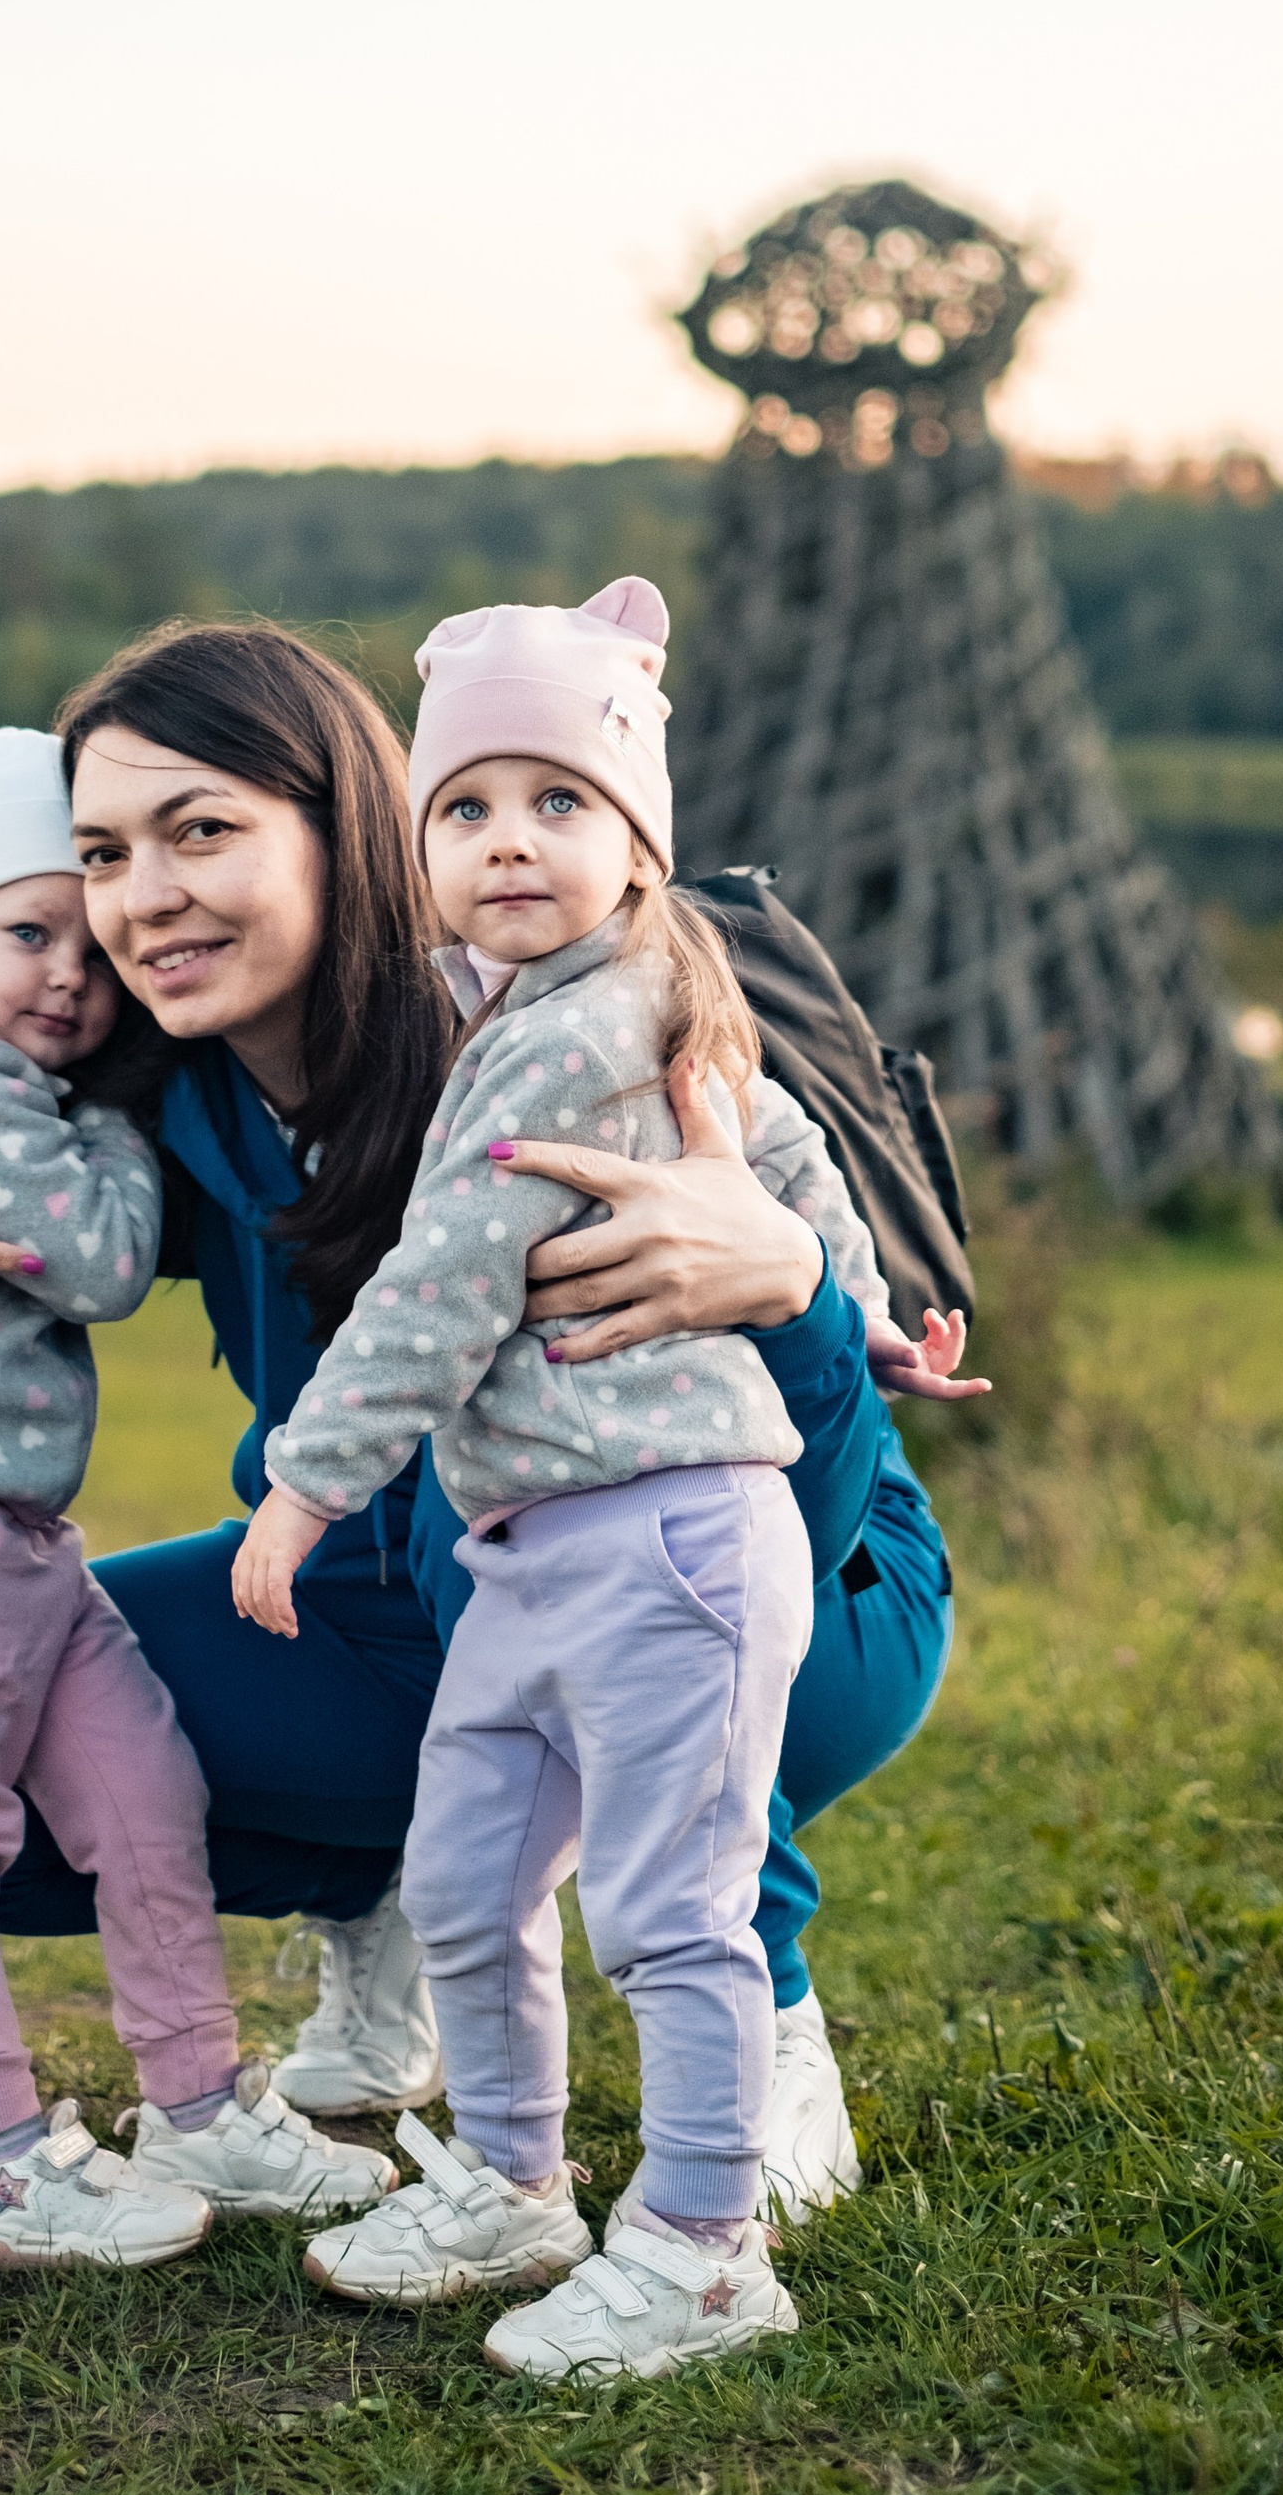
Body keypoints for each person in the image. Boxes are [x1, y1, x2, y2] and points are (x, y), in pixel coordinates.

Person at [0, 621, 965, 2215]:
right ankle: (397, 1906)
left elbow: (808, 1489)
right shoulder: (171, 1101)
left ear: (349, 826)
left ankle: (771, 2022)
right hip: (393, 1592)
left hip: (803, 1581)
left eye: (205, 830)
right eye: (103, 851)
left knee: (541, 1553)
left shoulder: (534, 1050)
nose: (143, 894)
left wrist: (791, 1282)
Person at [233, 582, 967, 2381]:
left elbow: (440, 1285)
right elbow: (787, 1141)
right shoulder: (530, 998)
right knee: (472, 1878)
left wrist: (307, 1488)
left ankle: (708, 2247)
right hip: (535, 1545)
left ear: (639, 838)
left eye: (560, 803)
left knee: (664, 1906)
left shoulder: (575, 1026)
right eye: (466, 809)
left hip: (671, 1539)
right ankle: (510, 2178)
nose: (507, 844)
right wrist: (863, 1297)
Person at [0, 723, 391, 2273]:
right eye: (24, 933)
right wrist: (127, 1106)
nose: (71, 978)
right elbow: (107, 1261)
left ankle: (196, 2103)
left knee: (144, 1794)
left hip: (19, 1534)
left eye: (83, 945)